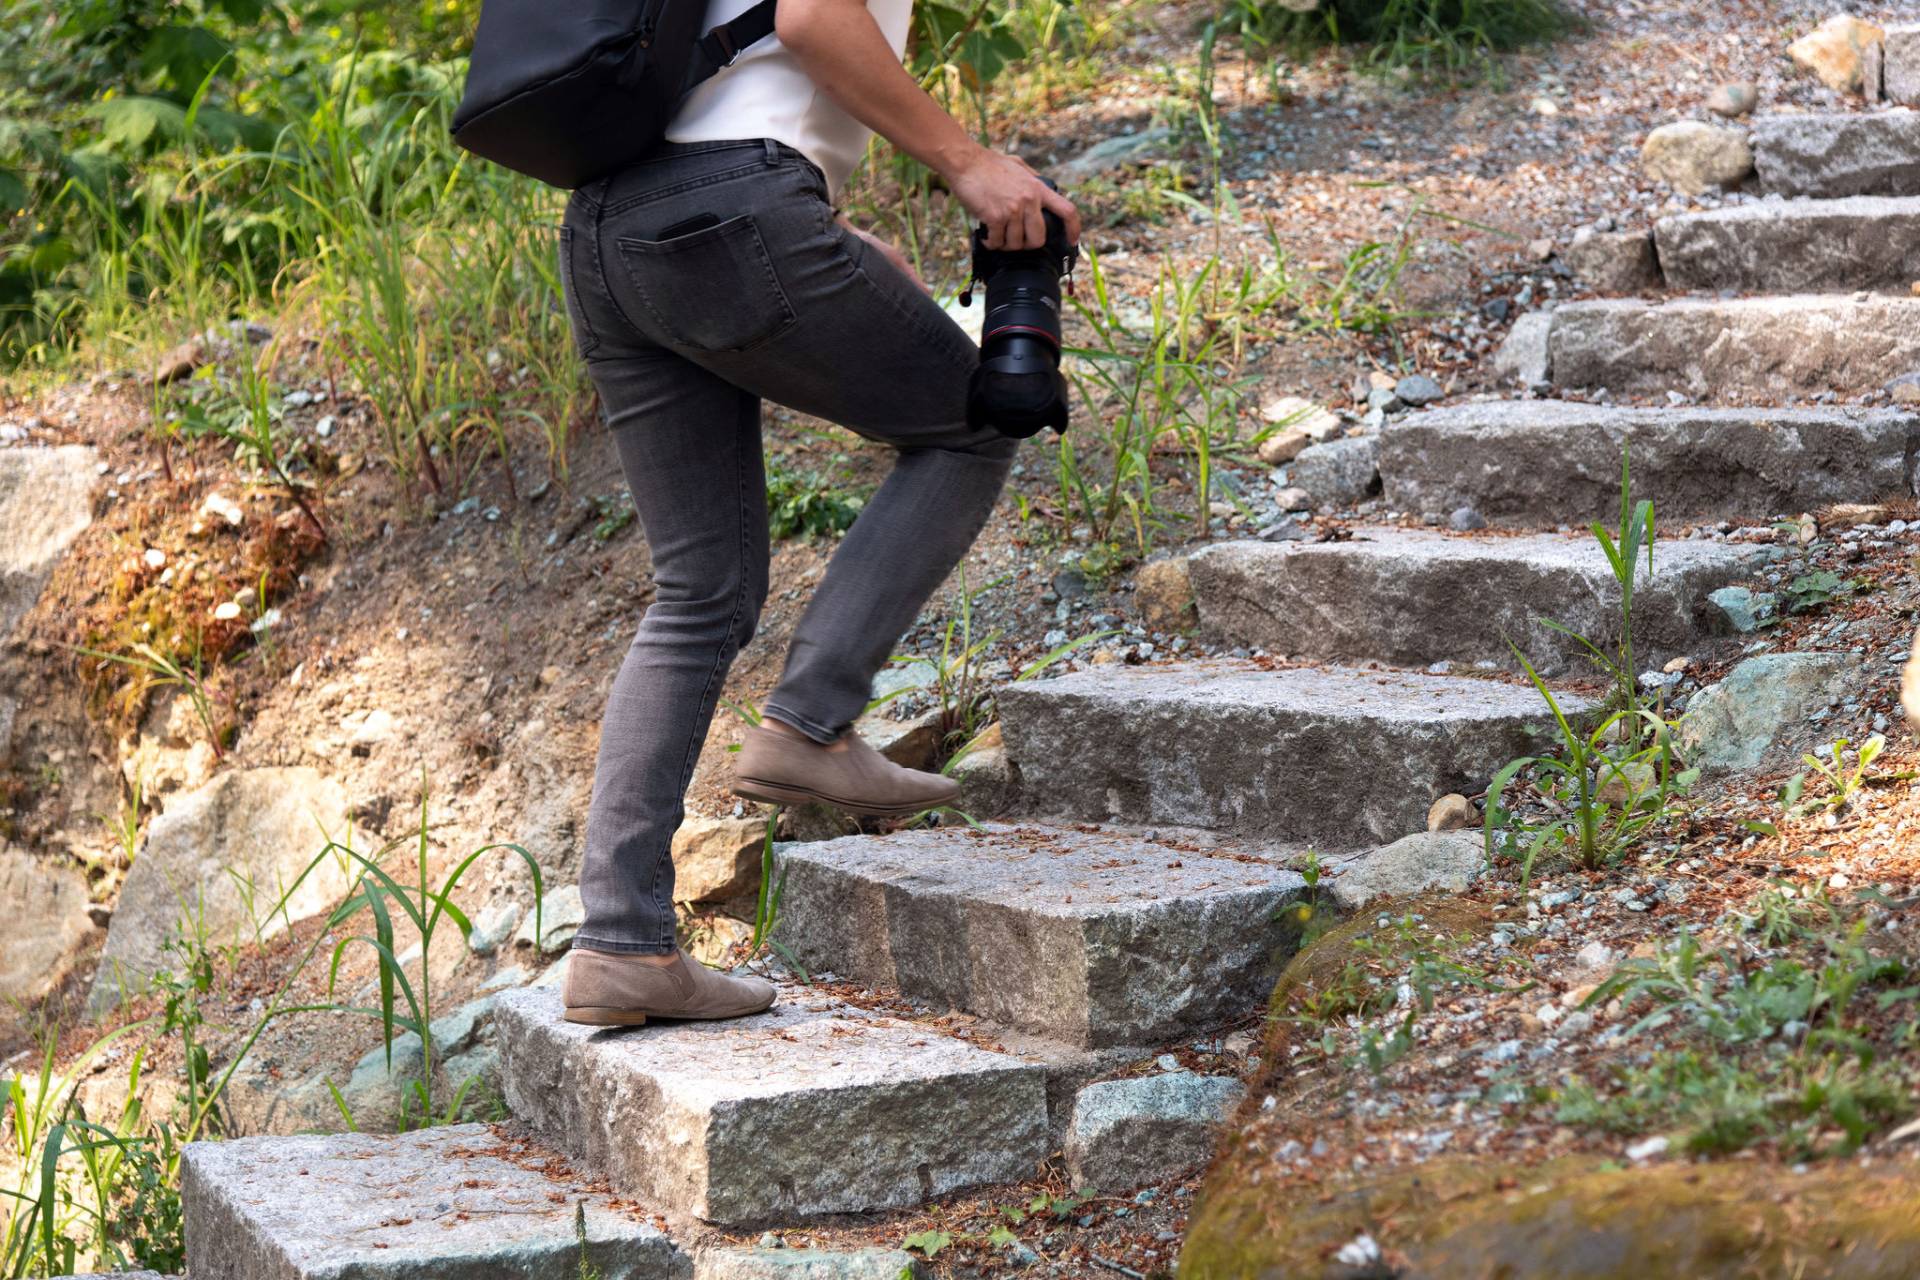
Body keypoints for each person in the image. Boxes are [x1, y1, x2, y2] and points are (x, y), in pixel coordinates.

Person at [557, 0, 1081, 1027]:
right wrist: (968, 162)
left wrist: (816, 219)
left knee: (699, 589)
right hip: (731, 209)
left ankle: (620, 940)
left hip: (609, 232)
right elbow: (810, 17)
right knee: (974, 423)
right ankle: (810, 721)